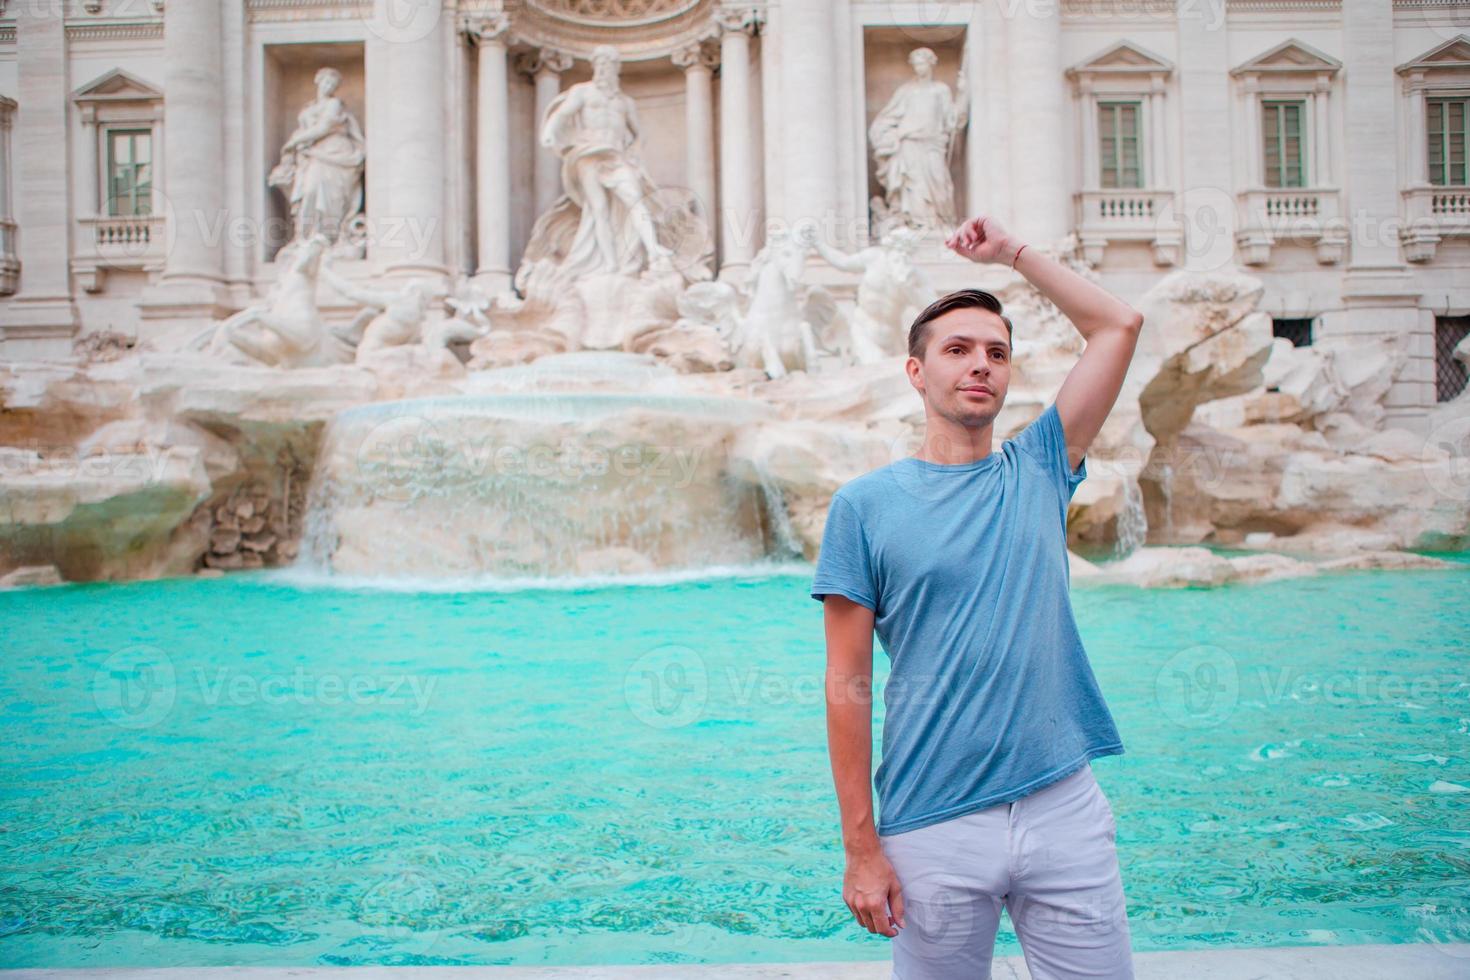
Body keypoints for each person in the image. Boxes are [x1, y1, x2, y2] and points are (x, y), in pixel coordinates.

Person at [812, 213, 1143, 978]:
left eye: (996, 353)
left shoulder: (1040, 467)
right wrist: (862, 848)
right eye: (957, 350)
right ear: (915, 372)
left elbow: (1118, 325)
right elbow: (847, 685)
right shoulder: (864, 507)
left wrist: (1013, 255)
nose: (980, 365)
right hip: (934, 820)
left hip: (1064, 806)